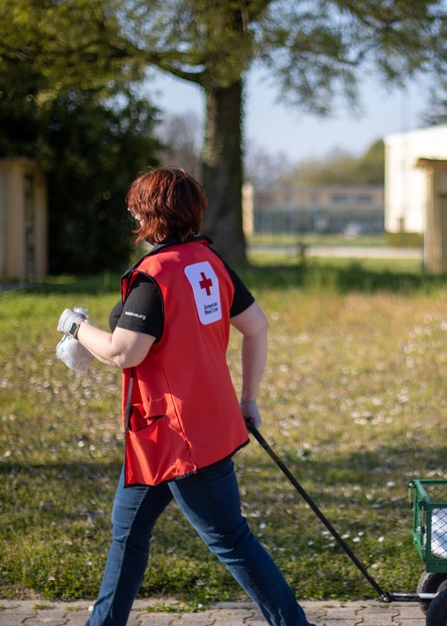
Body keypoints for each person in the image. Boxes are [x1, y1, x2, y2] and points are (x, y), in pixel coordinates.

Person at [56, 167, 314, 626]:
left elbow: (123, 353)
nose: (130, 210)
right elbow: (257, 327)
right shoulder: (208, 261)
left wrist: (77, 327)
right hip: (161, 435)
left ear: (149, 213)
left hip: (185, 437)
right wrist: (248, 399)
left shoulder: (155, 276)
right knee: (127, 534)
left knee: (232, 540)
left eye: (135, 204)